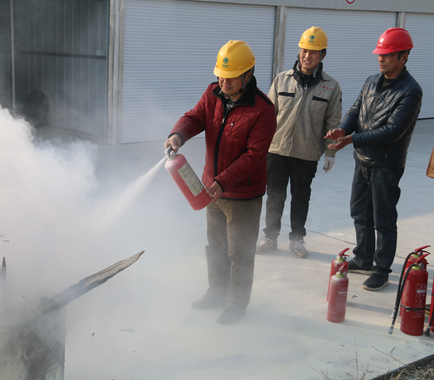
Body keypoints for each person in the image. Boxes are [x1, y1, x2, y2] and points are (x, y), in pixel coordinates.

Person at [164, 40, 276, 324]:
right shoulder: (213, 92)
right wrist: (178, 134)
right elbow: (195, 117)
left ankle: (236, 304)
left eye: (231, 77)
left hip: (242, 196)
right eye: (221, 76)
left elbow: (254, 155)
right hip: (211, 190)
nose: (224, 82)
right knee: (215, 247)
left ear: (248, 75)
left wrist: (223, 182)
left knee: (239, 252)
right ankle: (215, 293)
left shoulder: (263, 109)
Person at [325, 27, 422, 291]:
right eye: (380, 54)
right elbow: (356, 110)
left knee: (384, 219)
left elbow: (393, 131)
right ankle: (364, 258)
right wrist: (343, 129)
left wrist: (352, 139)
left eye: (388, 55)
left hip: (386, 165)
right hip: (363, 160)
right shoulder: (371, 81)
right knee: (359, 212)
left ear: (404, 57)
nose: (381, 59)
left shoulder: (411, 91)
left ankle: (381, 269)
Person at [256, 27, 342, 259]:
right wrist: (260, 146)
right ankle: (270, 237)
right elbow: (267, 116)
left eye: (313, 52)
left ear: (322, 55)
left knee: (301, 198)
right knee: (274, 196)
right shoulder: (282, 80)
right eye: (304, 50)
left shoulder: (331, 86)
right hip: (277, 150)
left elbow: (333, 122)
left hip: (307, 153)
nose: (307, 56)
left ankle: (297, 239)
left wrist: (331, 152)